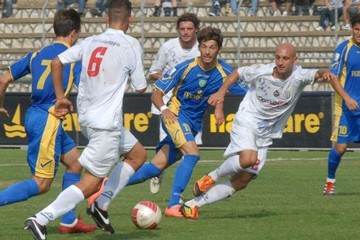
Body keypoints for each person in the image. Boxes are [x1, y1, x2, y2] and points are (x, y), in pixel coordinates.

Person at [88, 27, 248, 232]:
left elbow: (245, 91)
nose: (208, 51)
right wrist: (164, 109)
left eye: (212, 47)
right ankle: (174, 204)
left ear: (219, 50)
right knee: (192, 154)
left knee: (153, 168)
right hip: (174, 116)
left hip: (192, 124)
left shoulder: (224, 71)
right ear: (199, 48)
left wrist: (221, 105)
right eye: (204, 47)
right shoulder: (185, 67)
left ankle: (104, 186)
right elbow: (157, 92)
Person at [23, 1, 148, 238]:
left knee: (138, 155)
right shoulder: (131, 44)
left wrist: (61, 97)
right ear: (130, 20)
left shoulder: (90, 41)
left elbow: (56, 62)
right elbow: (141, 87)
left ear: (106, 19)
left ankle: (100, 205)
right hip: (106, 125)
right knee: (90, 183)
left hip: (89, 119)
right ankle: (41, 219)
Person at [179, 43, 336, 219]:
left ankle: (192, 205)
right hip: (247, 120)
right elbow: (237, 72)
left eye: (285, 58)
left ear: (295, 60)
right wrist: (221, 93)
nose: (280, 62)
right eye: (277, 57)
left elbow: (319, 72)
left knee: (242, 181)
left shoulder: (299, 75)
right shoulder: (262, 71)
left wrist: (325, 73)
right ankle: (212, 176)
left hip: (265, 134)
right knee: (248, 158)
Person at [0, 9, 97, 234]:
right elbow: (88, 87)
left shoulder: (35, 55)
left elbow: (3, 80)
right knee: (42, 184)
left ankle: (69, 221)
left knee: (75, 163)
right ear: (74, 33)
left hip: (37, 115)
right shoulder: (73, 58)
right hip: (49, 119)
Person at [148, 12, 201, 195]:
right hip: (168, 104)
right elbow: (153, 73)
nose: (185, 32)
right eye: (182, 29)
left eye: (189, 29)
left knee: (186, 151)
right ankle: (161, 176)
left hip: (192, 107)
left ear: (196, 30)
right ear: (178, 30)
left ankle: (160, 170)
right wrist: (172, 78)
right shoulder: (168, 47)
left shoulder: (202, 49)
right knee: (184, 149)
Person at [322, 13, 360, 195]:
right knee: (341, 147)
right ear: (351, 29)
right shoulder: (343, 49)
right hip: (346, 107)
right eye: (356, 29)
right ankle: (330, 181)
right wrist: (346, 97)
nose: (359, 33)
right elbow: (333, 77)